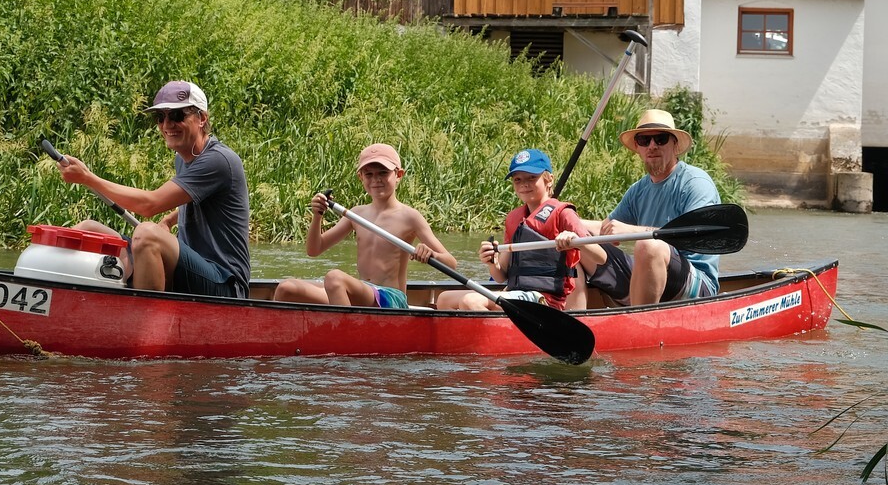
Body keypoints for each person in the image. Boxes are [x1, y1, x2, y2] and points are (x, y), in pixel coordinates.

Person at [54, 80, 251, 298]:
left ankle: (147, 322)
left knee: (146, 234)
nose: (167, 125)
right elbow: (200, 199)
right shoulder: (183, 159)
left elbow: (150, 205)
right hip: (190, 271)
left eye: (176, 116)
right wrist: (169, 221)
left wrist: (88, 178)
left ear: (202, 118)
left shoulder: (218, 160)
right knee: (88, 228)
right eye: (160, 117)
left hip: (224, 283)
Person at [272, 144, 456, 308]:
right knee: (286, 288)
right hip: (364, 293)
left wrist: (431, 254)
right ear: (361, 177)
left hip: (391, 299)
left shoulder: (410, 216)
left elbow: (451, 263)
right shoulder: (356, 214)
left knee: (335, 278)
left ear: (399, 175)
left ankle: (348, 340)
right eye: (369, 174)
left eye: (383, 173)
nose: (376, 179)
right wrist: (317, 216)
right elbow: (314, 249)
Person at [578, 109, 722, 306]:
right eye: (645, 141)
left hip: (698, 286)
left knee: (648, 245)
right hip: (653, 275)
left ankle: (639, 324)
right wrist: (565, 219)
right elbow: (605, 228)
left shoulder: (695, 183)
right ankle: (570, 316)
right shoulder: (638, 190)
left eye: (661, 139)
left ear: (675, 145)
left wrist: (633, 230)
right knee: (578, 241)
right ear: (638, 147)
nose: (652, 146)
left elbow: (693, 235)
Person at [435, 149, 606, 312]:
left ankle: (499, 338)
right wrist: (492, 263)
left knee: (470, 301)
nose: (524, 184)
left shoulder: (564, 213)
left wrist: (575, 239)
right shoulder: (513, 219)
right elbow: (501, 276)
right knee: (444, 299)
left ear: (549, 180)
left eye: (532, 178)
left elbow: (601, 258)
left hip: (545, 300)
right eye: (518, 180)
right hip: (518, 294)